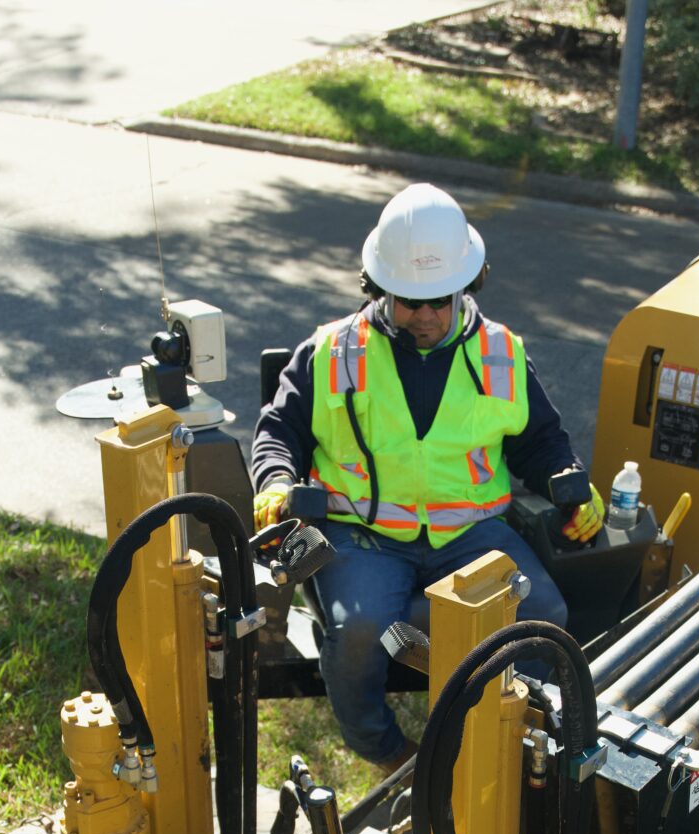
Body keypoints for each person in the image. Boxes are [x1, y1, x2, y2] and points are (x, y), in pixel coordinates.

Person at [252, 183, 603, 771]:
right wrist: (276, 481)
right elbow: (278, 430)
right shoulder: (333, 351)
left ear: (469, 285)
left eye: (441, 299)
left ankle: (513, 748)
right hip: (362, 534)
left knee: (544, 615)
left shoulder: (501, 353)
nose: (427, 316)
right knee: (361, 627)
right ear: (377, 288)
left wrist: (569, 481)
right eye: (410, 301)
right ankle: (388, 753)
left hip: (471, 535)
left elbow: (540, 441)